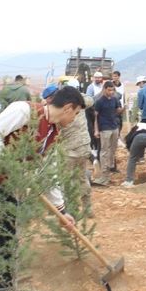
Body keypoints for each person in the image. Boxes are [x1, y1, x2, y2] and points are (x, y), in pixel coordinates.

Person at [0, 86, 83, 289]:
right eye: (77, 113)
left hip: (8, 183)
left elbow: (49, 172)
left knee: (8, 236)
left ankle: (6, 288)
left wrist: (61, 210)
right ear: (68, 108)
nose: (75, 119)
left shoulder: (53, 132)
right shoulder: (25, 110)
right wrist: (12, 165)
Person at [50, 84, 95, 212]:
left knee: (65, 179)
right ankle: (87, 207)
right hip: (84, 146)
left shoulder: (62, 109)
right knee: (81, 177)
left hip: (68, 149)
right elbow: (91, 100)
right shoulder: (81, 103)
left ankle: (68, 209)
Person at [92, 81, 123, 185]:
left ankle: (108, 172)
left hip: (114, 128)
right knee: (104, 151)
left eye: (112, 90)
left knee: (112, 150)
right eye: (109, 90)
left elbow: (117, 111)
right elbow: (95, 117)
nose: (111, 92)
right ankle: (103, 176)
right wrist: (96, 130)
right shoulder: (99, 101)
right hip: (104, 128)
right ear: (104, 89)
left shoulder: (114, 99)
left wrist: (123, 109)